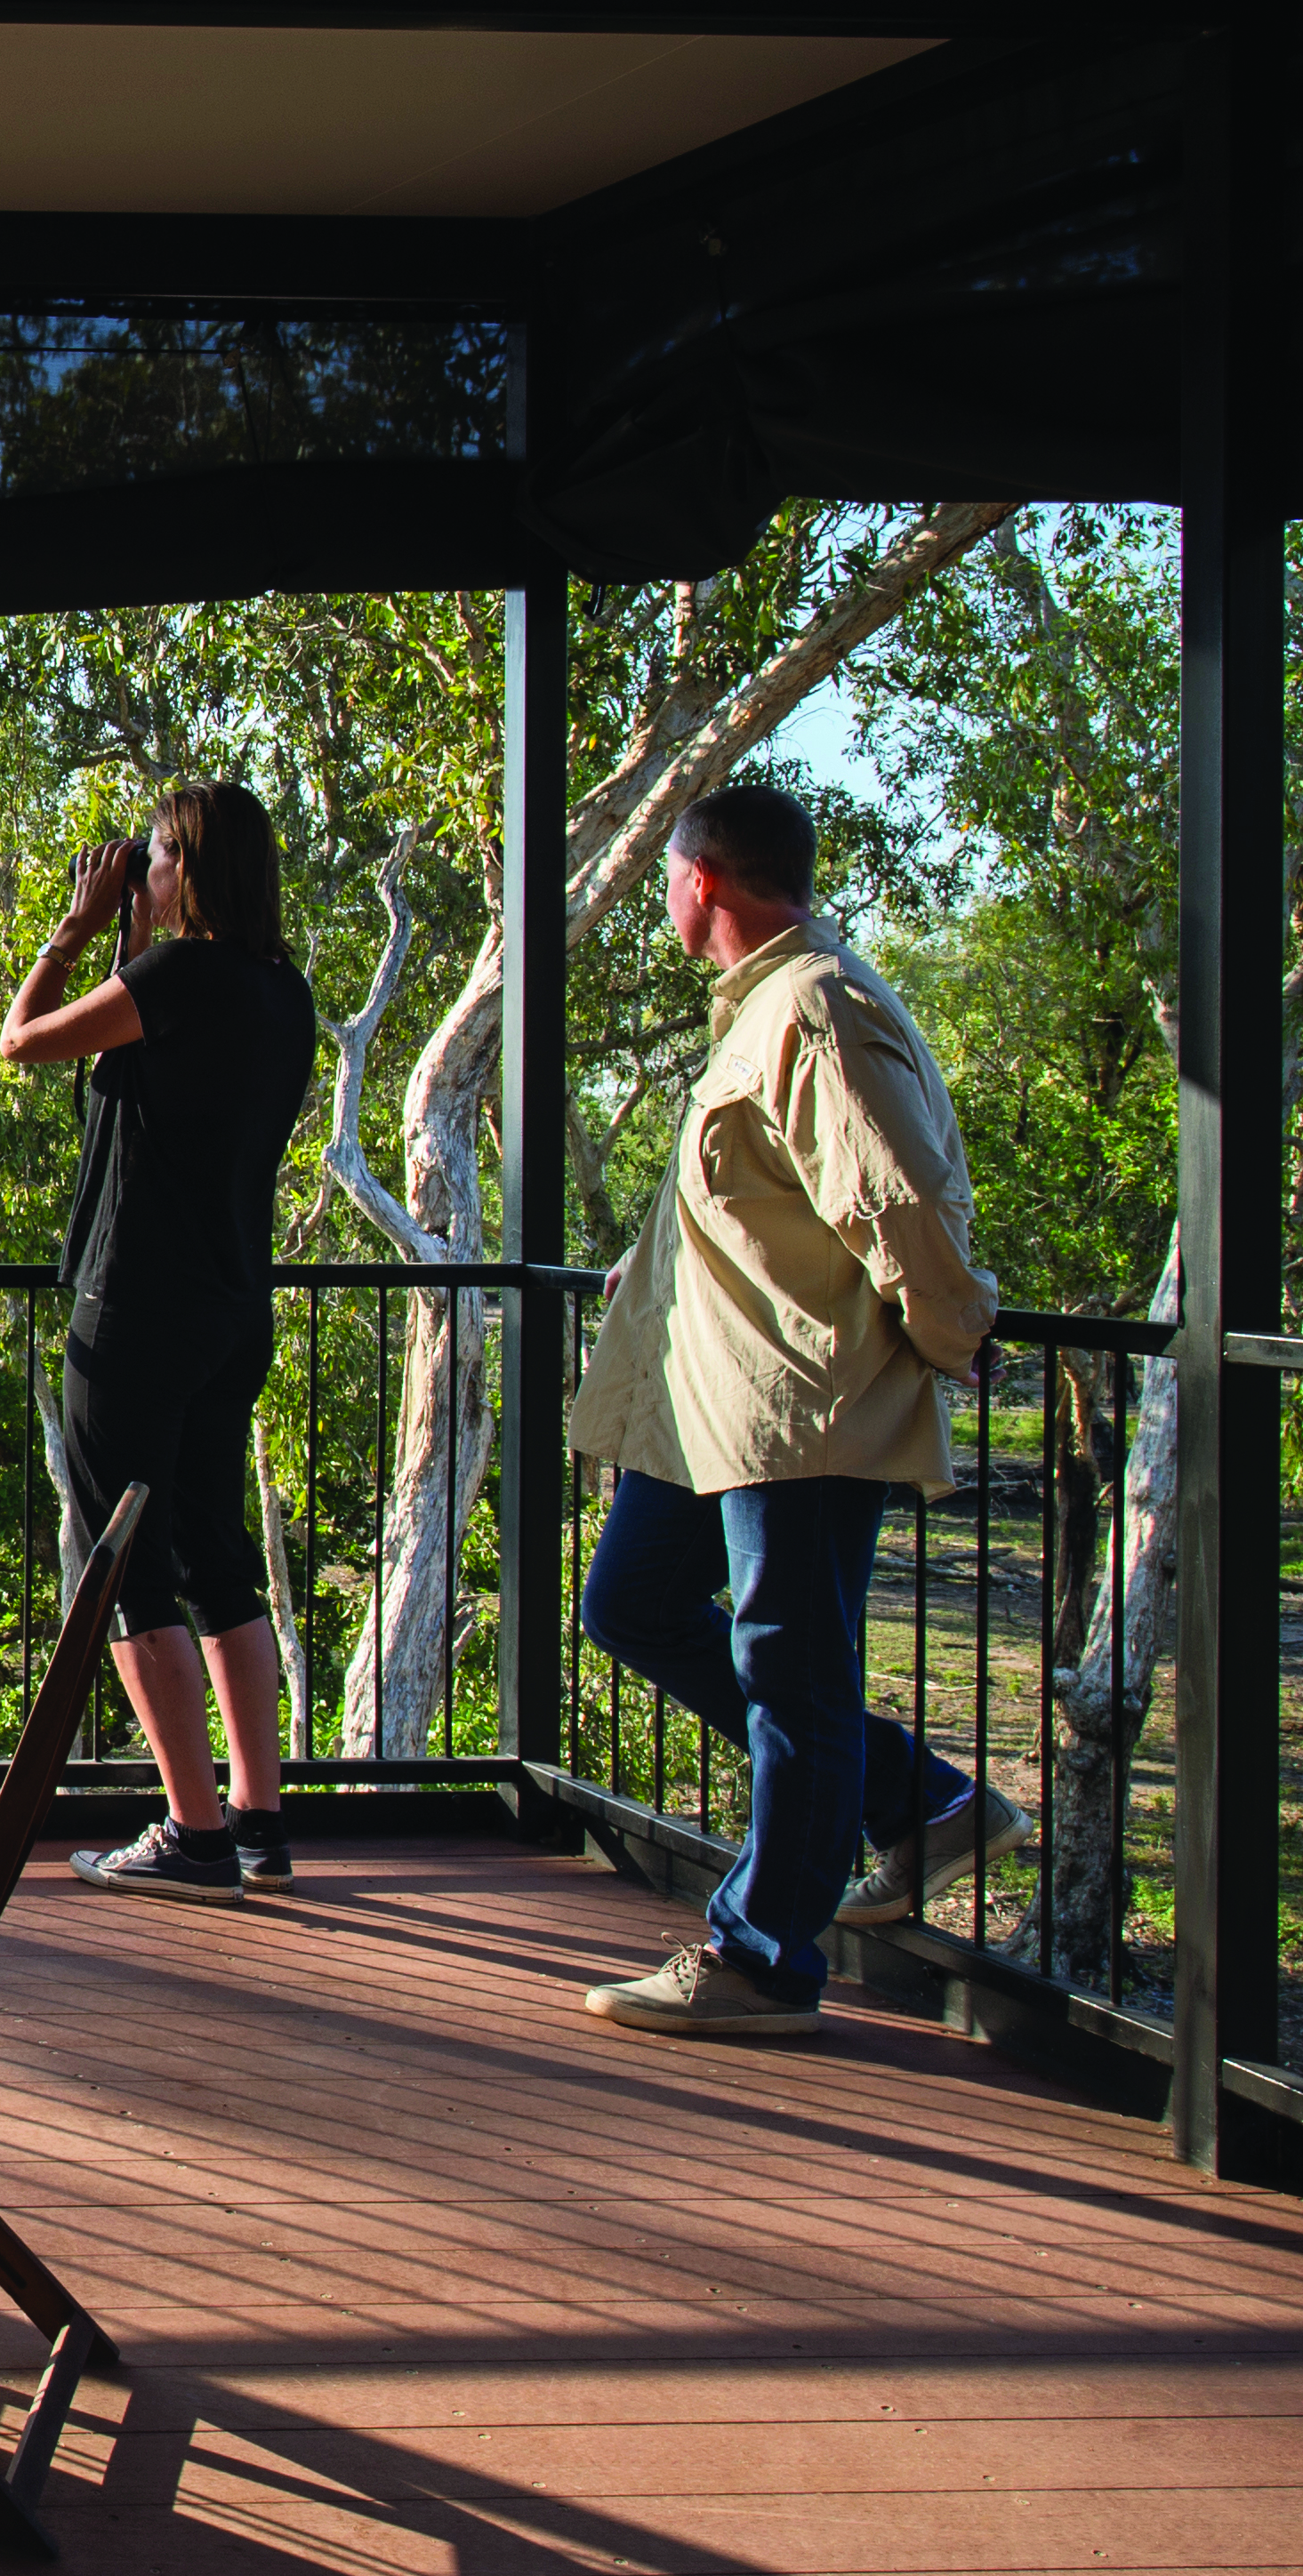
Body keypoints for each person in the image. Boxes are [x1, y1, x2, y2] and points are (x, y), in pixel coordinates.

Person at [565, 780, 1019, 2036]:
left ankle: (765, 1959)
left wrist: (955, 1331)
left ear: (698, 878)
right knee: (632, 1602)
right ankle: (918, 1801)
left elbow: (899, 1204)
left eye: (665, 876)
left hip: (796, 1407)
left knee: (789, 1666)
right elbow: (767, 1194)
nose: (663, 895)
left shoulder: (813, 1008)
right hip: (708, 1405)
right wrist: (655, 1257)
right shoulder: (763, 1010)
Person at [0, 781, 322, 1902]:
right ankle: (256, 1817)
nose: (144, 872)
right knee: (215, 1559)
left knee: (123, 1563)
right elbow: (149, 1081)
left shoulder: (178, 975)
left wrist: (74, 934)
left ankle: (191, 1833)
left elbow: (20, 1042)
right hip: (231, 1306)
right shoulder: (284, 993)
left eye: (158, 857)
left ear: (192, 864)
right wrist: (129, 950)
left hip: (136, 1306)